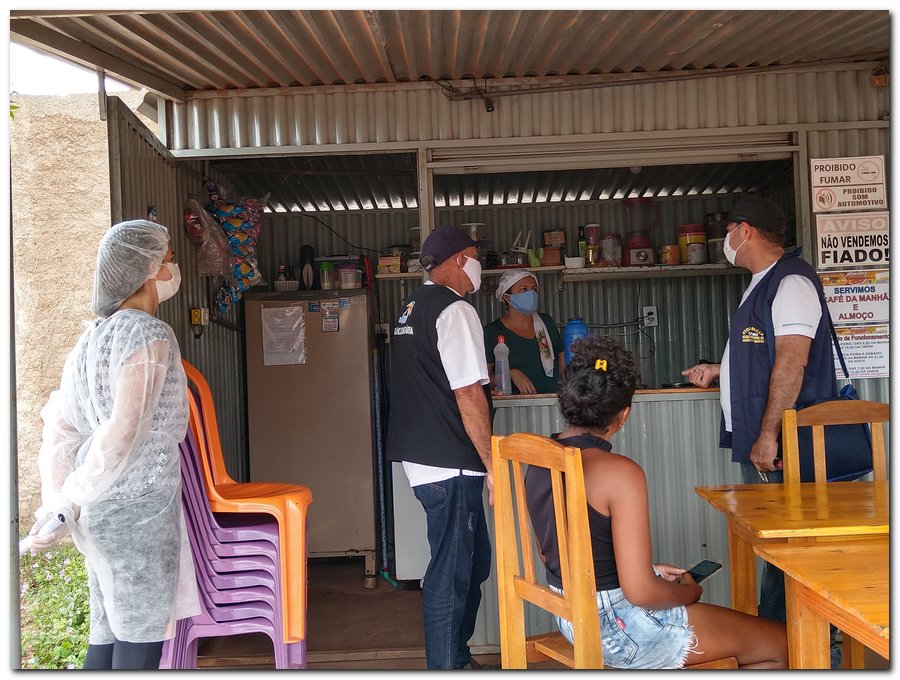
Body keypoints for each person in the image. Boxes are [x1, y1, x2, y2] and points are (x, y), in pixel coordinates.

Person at [525, 335, 788, 669]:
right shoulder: (620, 473)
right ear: (623, 415)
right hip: (625, 633)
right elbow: (642, 594)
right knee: (781, 642)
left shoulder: (538, 458)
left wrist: (645, 571)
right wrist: (687, 592)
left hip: (573, 621)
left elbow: (565, 556)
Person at [26, 219, 200, 669]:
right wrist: (69, 500)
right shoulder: (148, 334)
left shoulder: (87, 341)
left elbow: (62, 432)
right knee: (139, 643)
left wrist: (63, 501)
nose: (173, 269)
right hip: (137, 510)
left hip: (97, 515)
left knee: (106, 633)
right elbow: (124, 431)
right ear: (147, 270)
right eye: (168, 260)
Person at [680, 194, 842, 666]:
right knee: (776, 551)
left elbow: (792, 361)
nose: (726, 241)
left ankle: (811, 655)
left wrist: (769, 433)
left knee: (792, 556)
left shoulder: (790, 282)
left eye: (729, 231)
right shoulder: (764, 283)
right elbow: (764, 354)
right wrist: (720, 369)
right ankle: (784, 650)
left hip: (789, 447)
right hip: (769, 445)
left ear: (744, 230)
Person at [386, 225, 494, 670]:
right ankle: (447, 667)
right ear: (452, 260)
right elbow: (467, 393)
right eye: (472, 255)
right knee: (451, 573)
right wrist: (492, 463)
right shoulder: (454, 311)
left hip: (426, 458)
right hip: (453, 462)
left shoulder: (410, 309)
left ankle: (458, 657)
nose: (477, 264)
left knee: (474, 563)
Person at [483, 270, 565, 395]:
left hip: (552, 403)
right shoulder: (492, 332)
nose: (531, 294)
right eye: (523, 289)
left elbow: (561, 361)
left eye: (534, 289)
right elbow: (483, 380)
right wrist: (510, 374)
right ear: (506, 296)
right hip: (514, 408)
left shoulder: (546, 323)